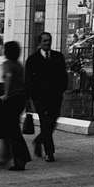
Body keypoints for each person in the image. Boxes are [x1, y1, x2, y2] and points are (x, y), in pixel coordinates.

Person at [25, 31, 68, 162]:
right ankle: (50, 152)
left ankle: (38, 141)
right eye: (45, 41)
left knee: (52, 122)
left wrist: (61, 90)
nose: (47, 43)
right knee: (45, 123)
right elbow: (28, 80)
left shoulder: (58, 56)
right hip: (40, 98)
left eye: (49, 40)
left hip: (55, 97)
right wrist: (30, 98)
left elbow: (63, 75)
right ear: (40, 43)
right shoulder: (32, 59)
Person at [0, 40, 31, 171]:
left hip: (11, 99)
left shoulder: (7, 64)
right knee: (12, 128)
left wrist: (5, 94)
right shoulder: (19, 65)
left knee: (13, 130)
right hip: (20, 99)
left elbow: (8, 77)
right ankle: (9, 156)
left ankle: (20, 158)